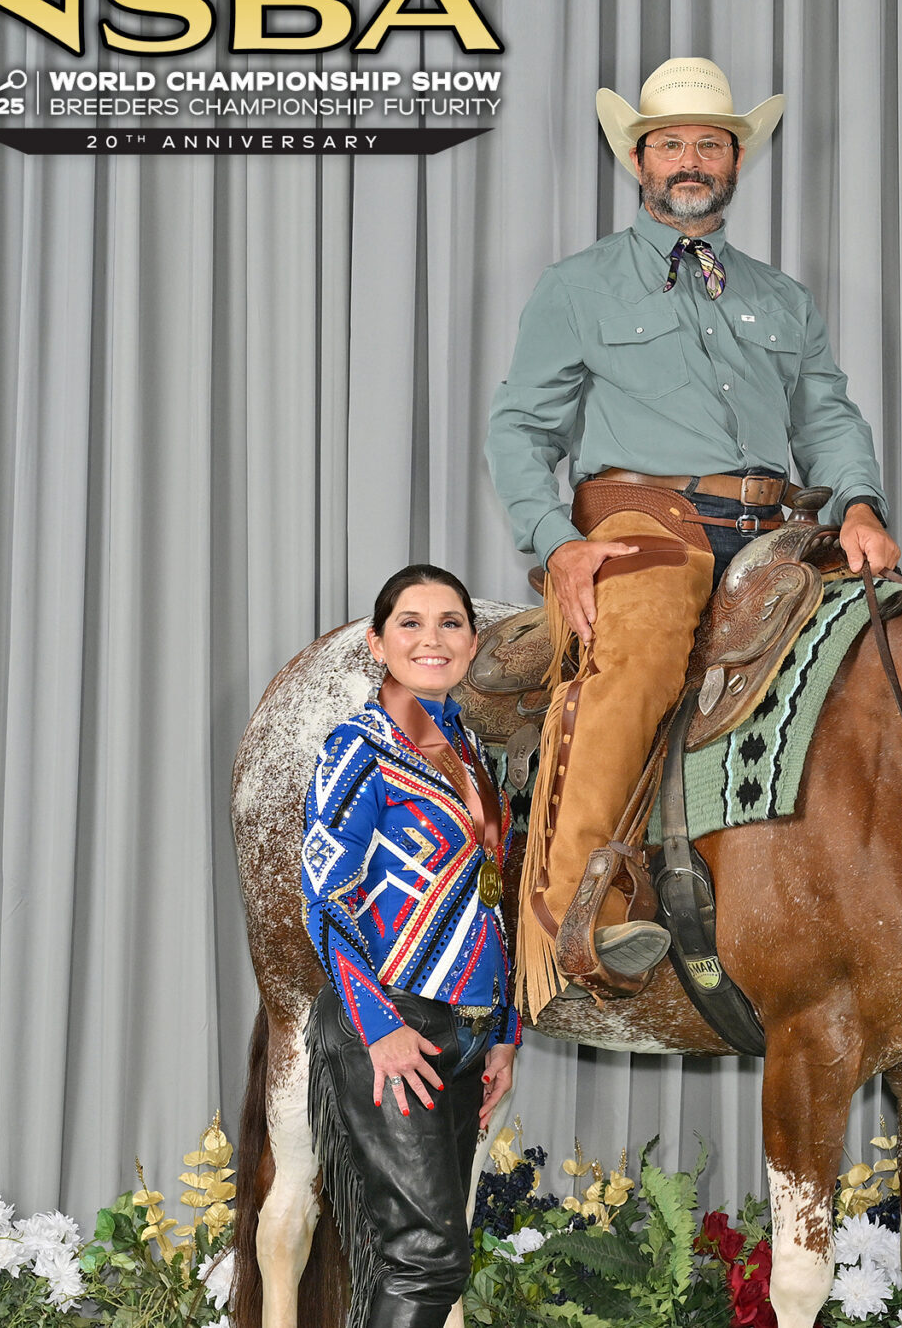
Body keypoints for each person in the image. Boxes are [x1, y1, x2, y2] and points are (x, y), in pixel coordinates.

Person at [485, 56, 899, 1012]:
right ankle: (577, 914)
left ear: (735, 159)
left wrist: (861, 504)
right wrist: (557, 539)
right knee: (639, 655)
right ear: (638, 160)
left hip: (777, 524)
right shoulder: (579, 285)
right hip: (644, 518)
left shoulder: (782, 297)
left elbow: (827, 416)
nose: (690, 158)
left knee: (890, 648)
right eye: (669, 142)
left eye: (710, 142)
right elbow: (521, 427)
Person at [301, 564, 520, 1328]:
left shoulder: (471, 754)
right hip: (392, 1021)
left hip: (459, 1032)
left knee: (431, 1256)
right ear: (377, 641)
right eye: (411, 623)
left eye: (451, 622)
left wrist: (502, 1035)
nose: (433, 638)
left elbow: (494, 903)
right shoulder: (358, 747)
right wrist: (380, 1028)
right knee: (426, 1259)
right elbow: (325, 900)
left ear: (471, 639)